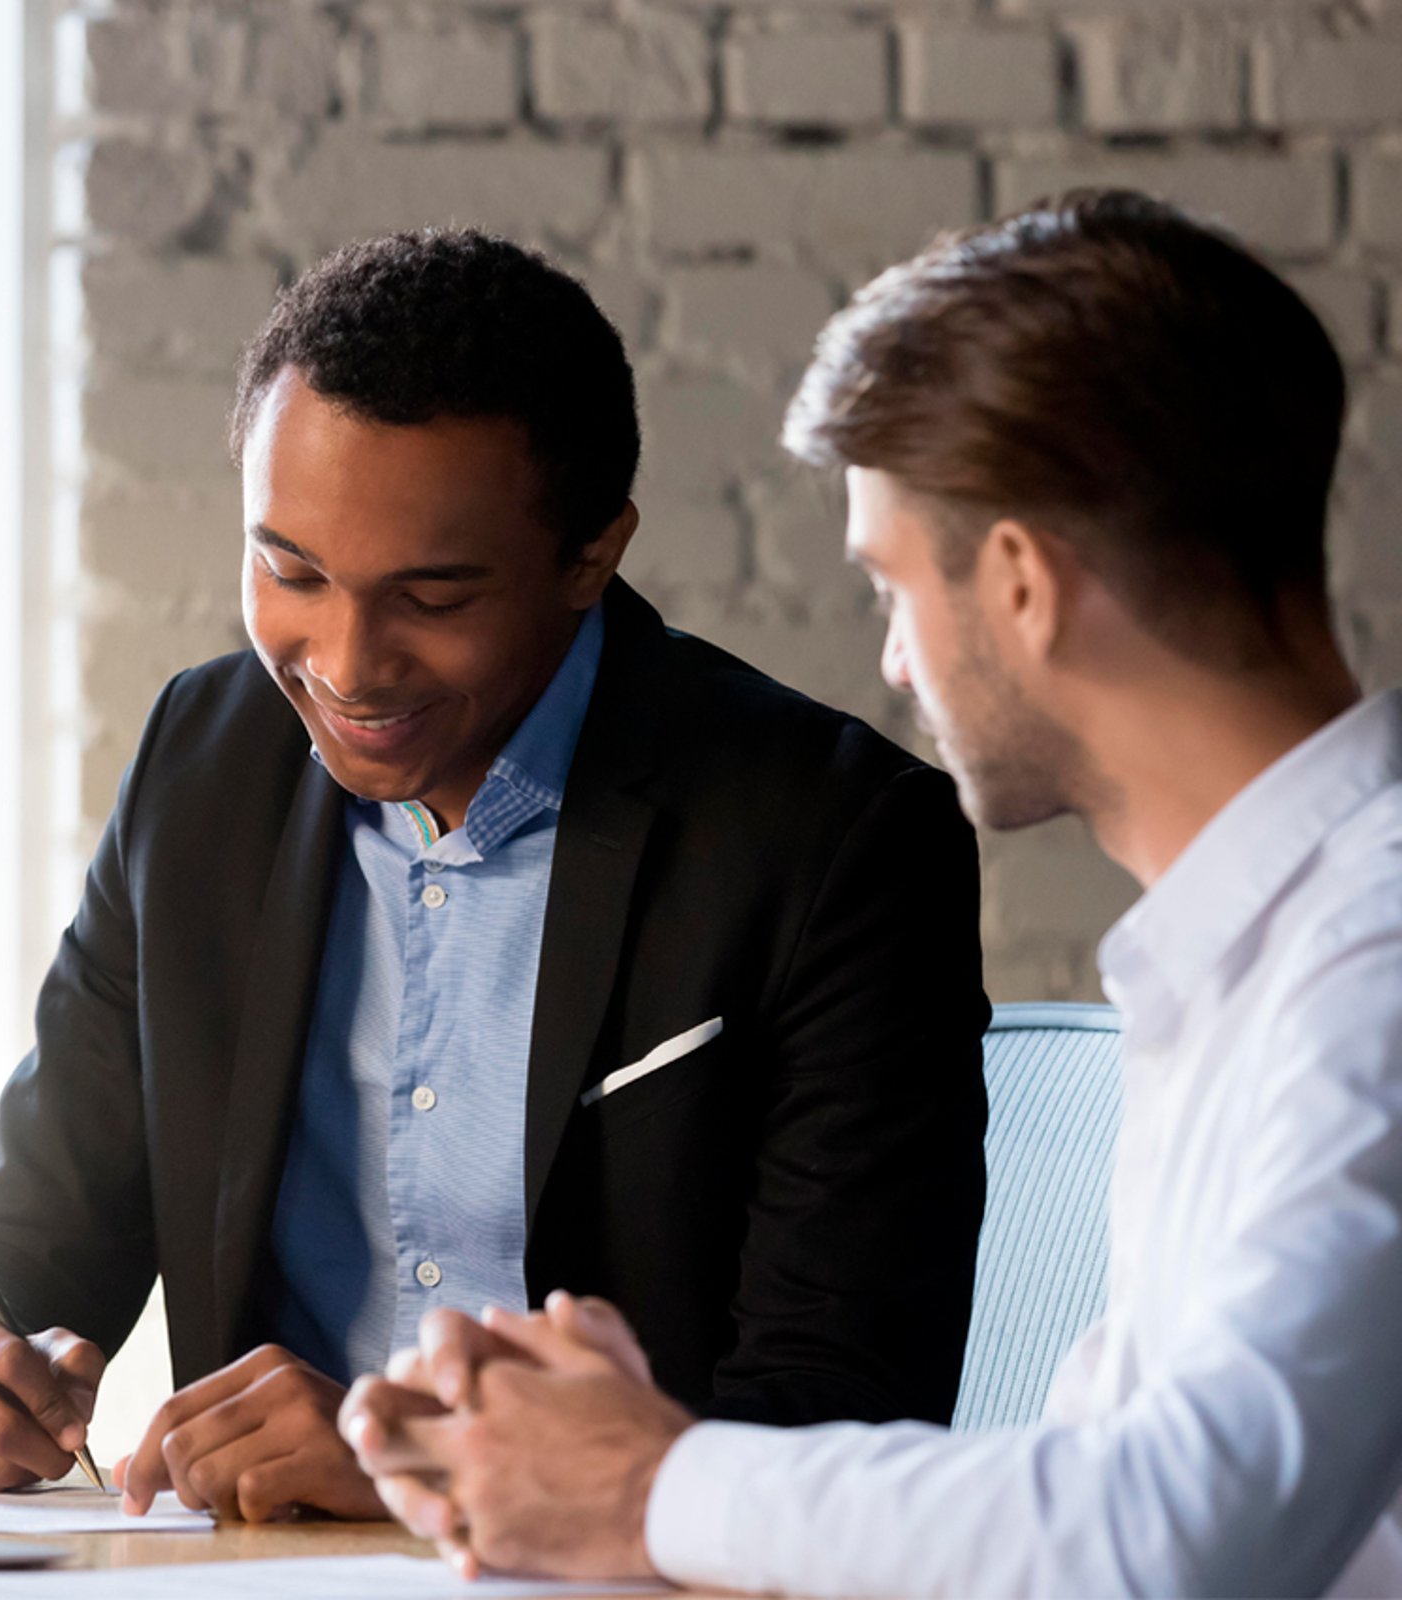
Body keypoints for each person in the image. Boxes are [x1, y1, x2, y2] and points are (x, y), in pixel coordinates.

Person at [342, 191, 1402, 1597]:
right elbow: (1089, 1495)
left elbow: (1173, 1533)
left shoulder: (1373, 961)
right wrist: (639, 1453)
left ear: (1020, 583)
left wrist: (652, 1482)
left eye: (895, 591)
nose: (896, 667)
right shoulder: (1255, 950)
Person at [0, 229, 990, 1523]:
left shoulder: (832, 842)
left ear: (591, 554)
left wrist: (421, 1473)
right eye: (290, 572)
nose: (346, 664)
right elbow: (35, 1213)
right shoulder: (201, 767)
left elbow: (840, 1421)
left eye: (433, 598)